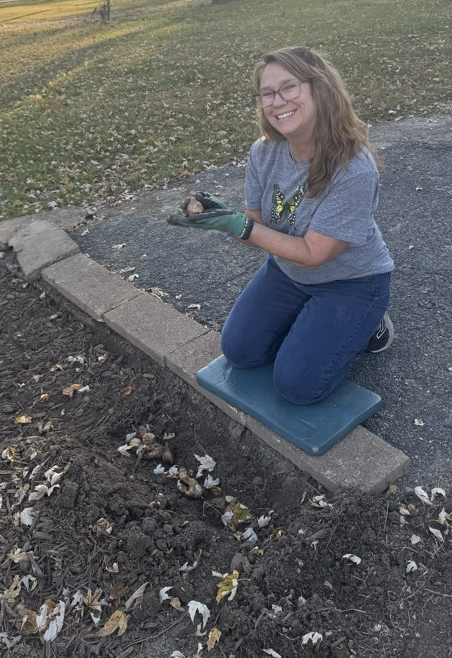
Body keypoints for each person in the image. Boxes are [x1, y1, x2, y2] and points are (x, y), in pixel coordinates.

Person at [168, 46, 394, 405]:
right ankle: (312, 324)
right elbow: (255, 229)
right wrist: (224, 219)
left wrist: (238, 226)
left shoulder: (354, 168)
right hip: (288, 272)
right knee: (239, 351)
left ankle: (370, 324)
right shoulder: (263, 152)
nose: (277, 101)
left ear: (319, 89)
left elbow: (313, 253)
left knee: (297, 387)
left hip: (349, 283)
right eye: (267, 93)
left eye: (289, 88)